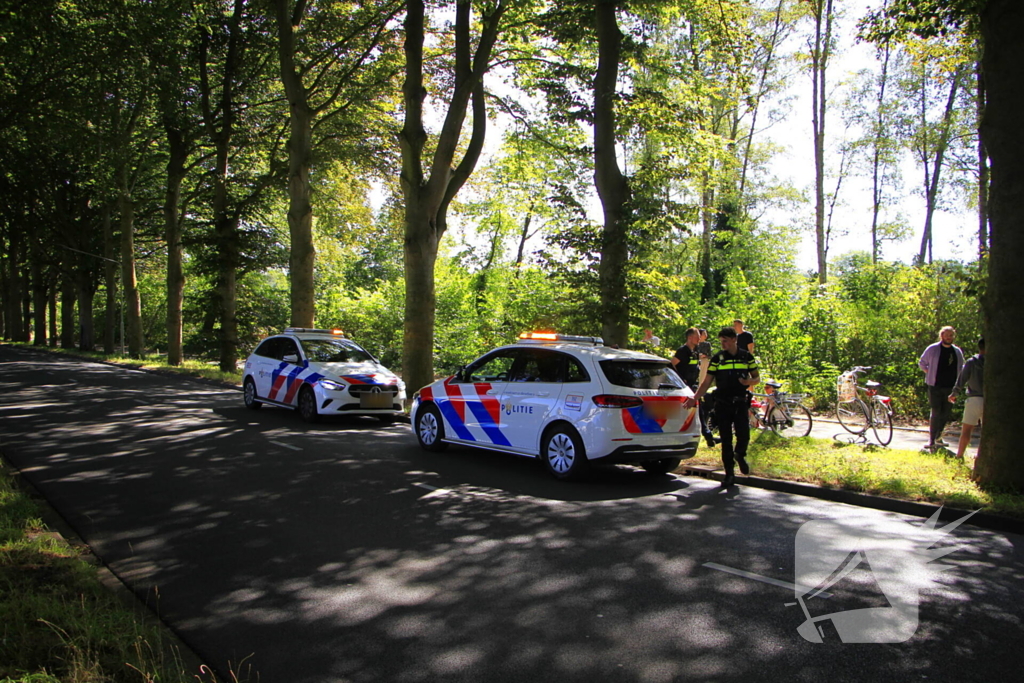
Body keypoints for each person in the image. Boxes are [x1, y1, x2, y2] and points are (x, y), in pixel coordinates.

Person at [685, 327, 760, 488]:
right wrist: (694, 398)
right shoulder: (718, 358)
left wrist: (749, 382)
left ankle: (740, 455)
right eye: (721, 341)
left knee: (744, 435)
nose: (723, 344)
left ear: (734, 339)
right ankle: (729, 475)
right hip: (723, 403)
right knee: (726, 440)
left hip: (740, 401)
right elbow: (706, 382)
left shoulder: (746, 357)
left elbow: (757, 377)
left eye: (725, 341)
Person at [919, 325, 964, 450]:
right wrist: (930, 373)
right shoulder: (933, 349)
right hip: (935, 386)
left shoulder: (957, 351)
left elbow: (962, 367)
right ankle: (932, 439)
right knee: (936, 412)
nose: (949, 337)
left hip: (951, 388)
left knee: (945, 413)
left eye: (951, 335)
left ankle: (939, 438)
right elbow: (922, 363)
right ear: (941, 336)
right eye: (947, 335)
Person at [673, 328, 716, 448]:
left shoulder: (696, 350)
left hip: (694, 385)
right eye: (697, 337)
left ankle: (707, 436)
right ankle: (707, 436)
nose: (699, 339)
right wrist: (680, 380)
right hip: (684, 387)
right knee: (691, 410)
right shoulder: (683, 351)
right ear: (690, 338)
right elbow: (672, 364)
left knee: (699, 409)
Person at [948, 337, 984, 461]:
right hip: (989, 400)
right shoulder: (996, 362)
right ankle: (981, 456)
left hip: (974, 398)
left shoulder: (972, 361)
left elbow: (962, 378)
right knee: (987, 431)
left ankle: (960, 455)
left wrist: (954, 392)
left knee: (967, 430)